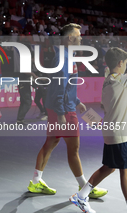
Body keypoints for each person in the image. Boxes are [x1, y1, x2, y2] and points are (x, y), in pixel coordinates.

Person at [27, 23, 107, 198]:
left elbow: (66, 84)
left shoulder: (65, 56)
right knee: (74, 149)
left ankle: (35, 181)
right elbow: (58, 87)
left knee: (50, 143)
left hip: (62, 107)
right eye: (78, 35)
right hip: (63, 110)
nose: (81, 38)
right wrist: (62, 113)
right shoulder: (63, 58)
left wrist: (76, 100)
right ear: (70, 38)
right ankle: (85, 188)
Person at [70, 47, 127, 213]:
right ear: (120, 63)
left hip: (111, 130)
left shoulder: (108, 79)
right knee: (124, 170)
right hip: (118, 133)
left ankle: (81, 196)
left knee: (109, 167)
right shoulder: (120, 81)